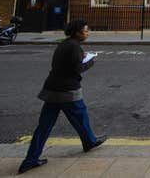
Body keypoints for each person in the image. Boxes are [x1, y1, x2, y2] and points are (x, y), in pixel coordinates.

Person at [18, 20, 106, 174]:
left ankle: (30, 160)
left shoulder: (64, 44)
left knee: (44, 127)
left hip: (51, 89)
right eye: (85, 31)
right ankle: (90, 142)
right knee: (81, 118)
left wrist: (80, 57)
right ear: (77, 32)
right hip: (68, 91)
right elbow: (78, 68)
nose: (88, 33)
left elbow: (63, 64)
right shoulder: (74, 47)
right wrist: (91, 61)